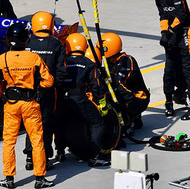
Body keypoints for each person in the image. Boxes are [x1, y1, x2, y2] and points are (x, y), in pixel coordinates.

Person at [0, 22, 54, 189]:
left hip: (11, 105)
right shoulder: (34, 58)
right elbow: (49, 81)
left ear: (8, 40)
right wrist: (36, 84)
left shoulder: (2, 59)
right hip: (30, 104)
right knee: (37, 140)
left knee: (9, 141)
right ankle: (40, 178)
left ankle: (9, 178)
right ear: (26, 40)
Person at [137, 0, 190, 120]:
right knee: (169, 69)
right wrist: (164, 33)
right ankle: (169, 101)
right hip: (172, 33)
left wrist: (171, 31)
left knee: (188, 68)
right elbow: (163, 14)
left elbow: (183, 13)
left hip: (185, 31)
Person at [59, 33, 110, 167]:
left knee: (59, 122)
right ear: (85, 47)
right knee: (98, 123)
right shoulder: (88, 63)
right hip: (79, 98)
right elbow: (96, 85)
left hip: (61, 98)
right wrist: (101, 102)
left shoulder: (62, 60)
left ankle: (60, 152)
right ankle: (94, 157)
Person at [24, 12, 66, 171]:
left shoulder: (27, 42)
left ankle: (29, 157)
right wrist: (59, 88)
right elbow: (61, 70)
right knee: (46, 124)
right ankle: (44, 157)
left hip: (27, 90)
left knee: (30, 124)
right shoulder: (56, 44)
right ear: (51, 25)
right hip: (48, 91)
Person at [98, 32, 150, 134]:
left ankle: (129, 120)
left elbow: (120, 85)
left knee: (116, 95)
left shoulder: (127, 61)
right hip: (129, 95)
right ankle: (132, 117)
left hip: (138, 98)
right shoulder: (109, 62)